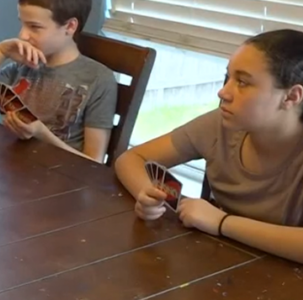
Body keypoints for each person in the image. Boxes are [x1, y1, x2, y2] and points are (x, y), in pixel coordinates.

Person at [114, 29, 303, 264]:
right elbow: (131, 159)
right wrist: (149, 197)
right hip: (220, 264)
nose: (223, 91)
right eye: (229, 77)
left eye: (243, 82)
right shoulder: (221, 124)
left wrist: (222, 222)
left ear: (291, 97)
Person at [0, 0, 117, 163]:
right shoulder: (20, 69)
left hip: (63, 180)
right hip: (16, 170)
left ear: (70, 27)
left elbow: (94, 163)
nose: (22, 35)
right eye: (22, 24)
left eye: (34, 27)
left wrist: (40, 133)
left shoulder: (98, 79)